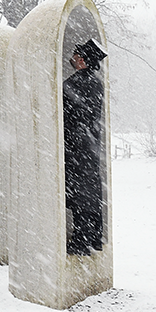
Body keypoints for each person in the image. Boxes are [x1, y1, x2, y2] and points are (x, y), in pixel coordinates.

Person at [64, 38, 108, 255]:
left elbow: (70, 113)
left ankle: (82, 241)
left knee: (80, 194)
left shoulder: (76, 83)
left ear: (83, 60)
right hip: (87, 145)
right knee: (88, 193)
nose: (73, 58)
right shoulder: (95, 82)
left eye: (77, 55)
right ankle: (91, 237)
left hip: (76, 146)